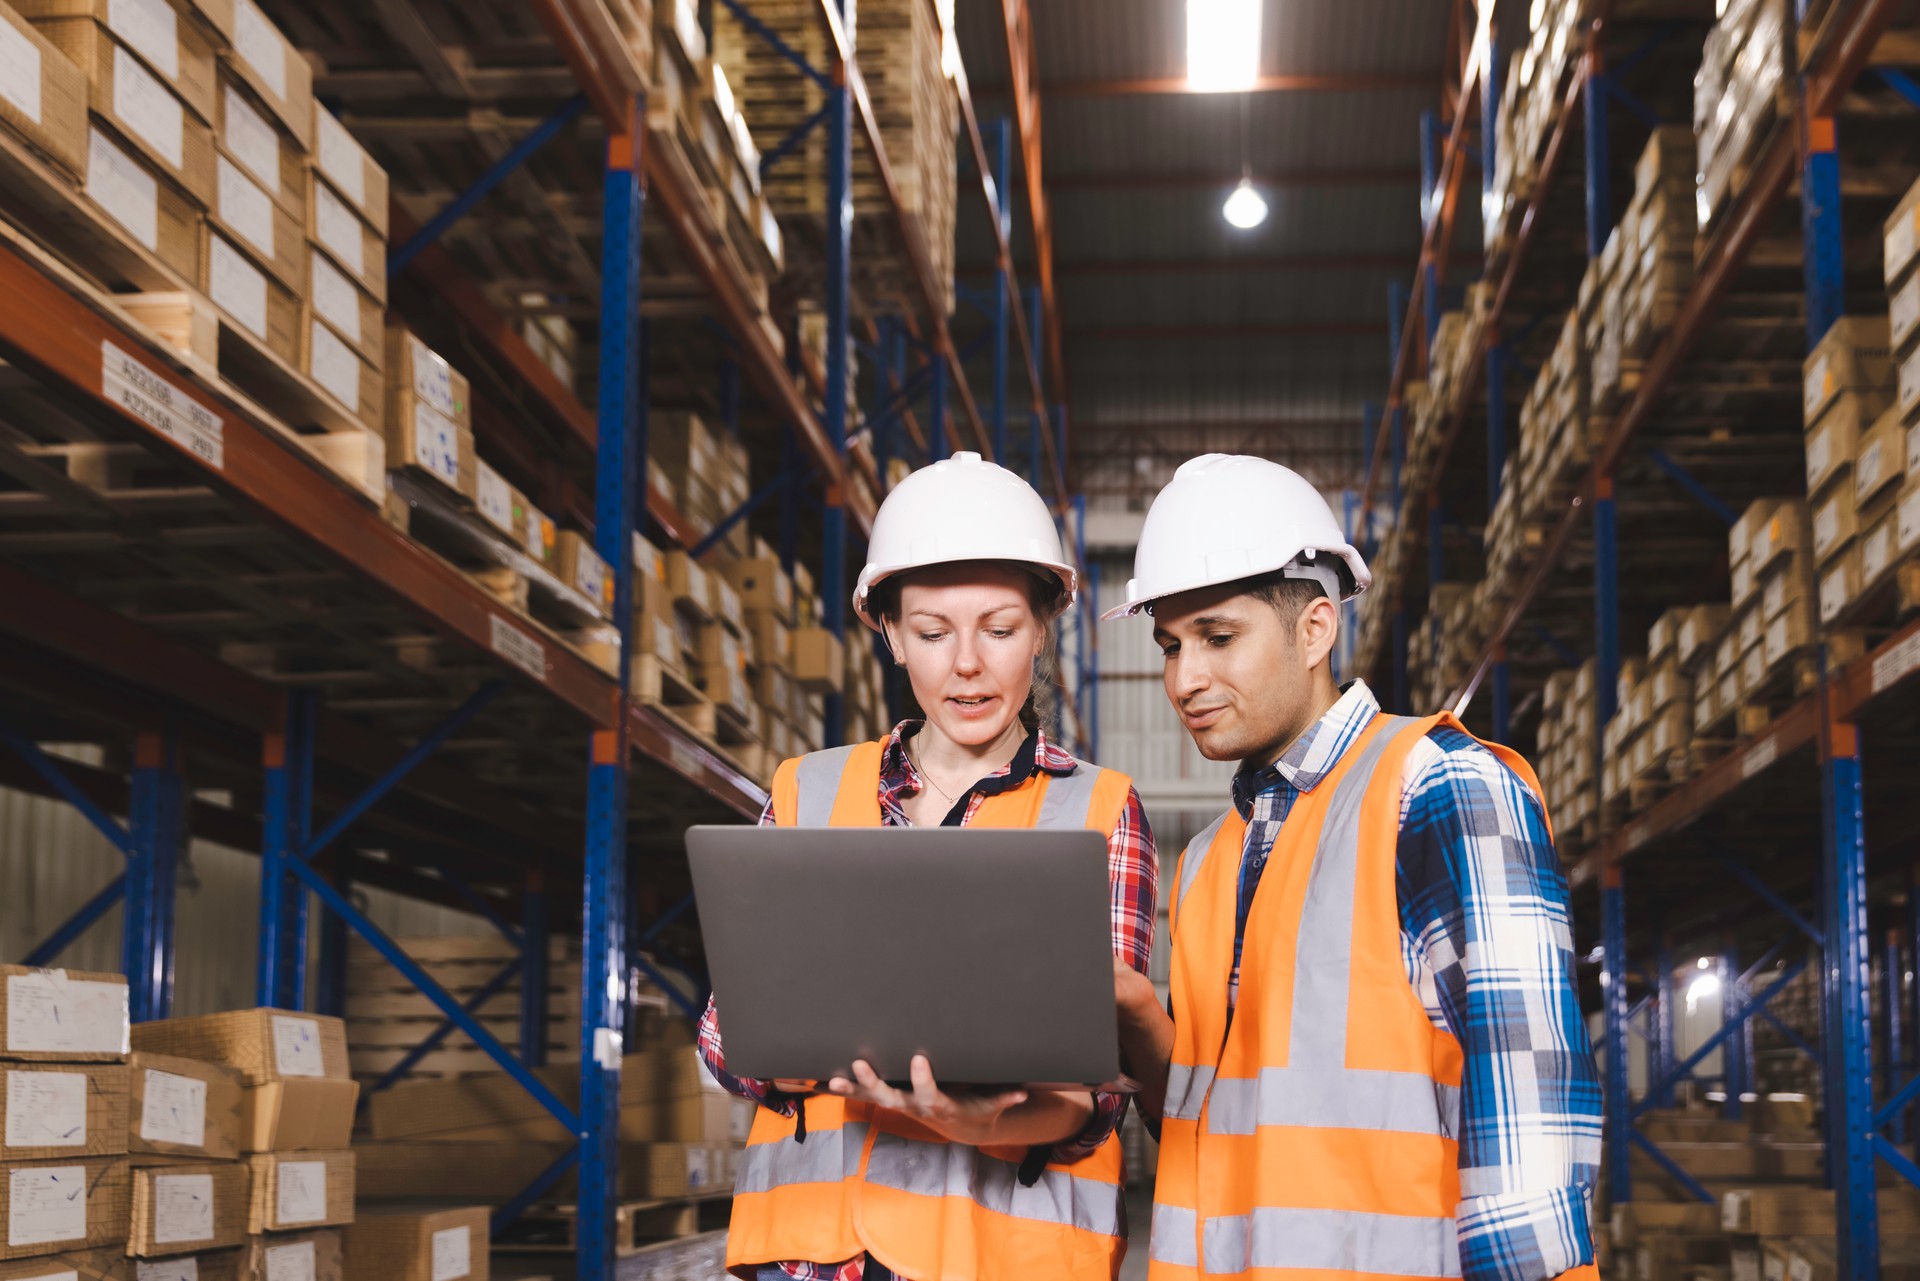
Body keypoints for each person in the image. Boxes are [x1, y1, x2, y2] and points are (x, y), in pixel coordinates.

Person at [1103, 454, 1601, 1281]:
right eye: (1169, 646)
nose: (1185, 678)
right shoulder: (1203, 865)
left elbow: (1528, 1141)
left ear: (1316, 629)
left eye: (1219, 637)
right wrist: (1135, 1021)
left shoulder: (1434, 787)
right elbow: (1220, 1130)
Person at [697, 451, 1158, 1281]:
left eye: (1001, 628)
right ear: (890, 633)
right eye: (933, 632)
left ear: (1046, 624)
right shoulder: (809, 789)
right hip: (814, 1261)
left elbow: (1101, 1094)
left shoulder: (1099, 810)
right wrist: (816, 1059)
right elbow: (725, 1037)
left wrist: (977, 1119)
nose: (967, 664)